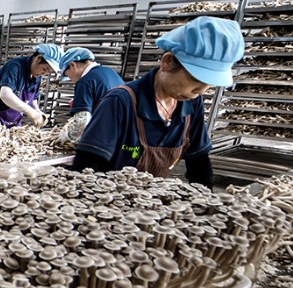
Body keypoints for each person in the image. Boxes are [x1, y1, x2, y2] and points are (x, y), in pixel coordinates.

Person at [71, 16, 245, 188]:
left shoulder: (192, 102)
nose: (200, 91)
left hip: (151, 198)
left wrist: (206, 199)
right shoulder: (120, 101)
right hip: (109, 197)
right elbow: (86, 166)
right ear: (167, 62)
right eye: (196, 79)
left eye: (210, 83)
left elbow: (198, 160)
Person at [0, 43, 62, 128]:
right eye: (44, 69)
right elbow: (5, 95)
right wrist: (29, 110)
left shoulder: (36, 75)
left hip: (14, 125)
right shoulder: (15, 66)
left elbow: (33, 98)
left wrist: (37, 111)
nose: (44, 73)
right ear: (38, 58)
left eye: (48, 72)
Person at [56, 47, 125, 145]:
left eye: (67, 75)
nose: (70, 79)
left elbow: (81, 124)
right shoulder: (111, 72)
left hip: (105, 141)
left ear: (72, 65)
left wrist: (67, 137)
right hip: (123, 136)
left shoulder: (85, 82)